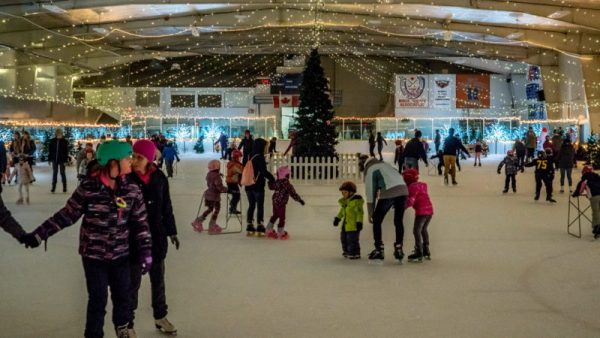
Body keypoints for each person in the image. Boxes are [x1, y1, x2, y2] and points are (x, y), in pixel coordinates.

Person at [20, 140, 152, 338]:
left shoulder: (131, 189)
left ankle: (123, 328)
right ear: (113, 162)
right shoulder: (89, 187)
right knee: (98, 300)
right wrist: (40, 234)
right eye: (127, 157)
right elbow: (67, 214)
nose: (131, 161)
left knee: (124, 297)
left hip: (121, 255)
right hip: (94, 256)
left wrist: (146, 251)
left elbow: (141, 223)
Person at [129, 139, 179, 336]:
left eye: (139, 157)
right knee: (132, 284)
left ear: (149, 159)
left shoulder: (159, 178)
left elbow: (166, 206)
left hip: (156, 237)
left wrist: (172, 230)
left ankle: (160, 316)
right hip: (133, 240)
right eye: (133, 156)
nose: (134, 160)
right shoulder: (127, 179)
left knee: (158, 280)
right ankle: (128, 322)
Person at [358, 155, 408, 262]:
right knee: (398, 220)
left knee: (377, 220)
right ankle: (399, 247)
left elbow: (370, 192)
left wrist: (371, 213)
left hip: (389, 191)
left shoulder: (371, 169)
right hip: (403, 190)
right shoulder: (385, 165)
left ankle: (379, 249)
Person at [244, 138, 275, 236]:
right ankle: (260, 225)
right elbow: (263, 171)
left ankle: (249, 224)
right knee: (260, 206)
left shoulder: (250, 155)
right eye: (265, 146)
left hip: (249, 185)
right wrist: (272, 178)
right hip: (258, 185)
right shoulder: (260, 157)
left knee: (251, 205)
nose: (266, 148)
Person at [402, 169, 433, 262]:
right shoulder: (423, 185)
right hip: (430, 210)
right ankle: (426, 250)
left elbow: (411, 200)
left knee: (416, 231)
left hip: (421, 212)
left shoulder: (412, 187)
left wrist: (403, 207)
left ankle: (419, 251)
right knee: (423, 230)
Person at [266, 166, 305, 239]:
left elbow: (271, 187)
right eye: (288, 175)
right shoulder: (287, 184)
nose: (289, 176)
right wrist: (299, 200)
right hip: (281, 203)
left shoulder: (277, 182)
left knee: (275, 215)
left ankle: (269, 229)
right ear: (286, 175)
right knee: (282, 217)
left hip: (275, 201)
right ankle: (280, 232)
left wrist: (270, 182)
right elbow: (293, 194)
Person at [192, 160, 228, 234]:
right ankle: (212, 225)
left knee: (210, 209)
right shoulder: (217, 176)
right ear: (217, 167)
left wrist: (218, 175)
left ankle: (198, 221)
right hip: (214, 196)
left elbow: (211, 180)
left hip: (208, 195)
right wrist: (226, 189)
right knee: (216, 209)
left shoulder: (209, 174)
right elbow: (219, 187)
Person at [333, 181, 364, 260]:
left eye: (345, 192)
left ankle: (355, 253)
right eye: (342, 192)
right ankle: (346, 251)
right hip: (345, 225)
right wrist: (338, 218)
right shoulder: (345, 202)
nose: (343, 194)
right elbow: (342, 211)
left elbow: (360, 213)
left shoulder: (356, 202)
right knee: (343, 238)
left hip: (353, 225)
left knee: (352, 240)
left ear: (351, 192)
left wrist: (359, 222)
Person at [572, 166, 600, 238]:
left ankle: (596, 226)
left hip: (594, 197)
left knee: (595, 211)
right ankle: (596, 226)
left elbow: (580, 190)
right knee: (599, 211)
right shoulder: (597, 178)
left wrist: (575, 194)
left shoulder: (585, 180)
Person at [49, 128, 69, 193]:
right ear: (56, 134)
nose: (60, 135)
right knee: (55, 173)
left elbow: (66, 151)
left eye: (61, 134)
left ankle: (64, 187)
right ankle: (53, 187)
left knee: (62, 173)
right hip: (54, 159)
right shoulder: (52, 141)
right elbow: (50, 151)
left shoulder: (64, 141)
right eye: (58, 134)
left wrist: (66, 160)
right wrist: (49, 159)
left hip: (62, 160)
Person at [226, 150, 243, 214]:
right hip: (232, 182)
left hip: (231, 182)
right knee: (237, 195)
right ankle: (232, 207)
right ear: (236, 157)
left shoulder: (232, 163)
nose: (240, 158)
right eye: (239, 157)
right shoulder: (235, 165)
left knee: (236, 195)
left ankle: (233, 208)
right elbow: (240, 171)